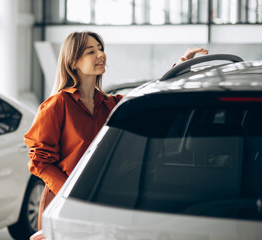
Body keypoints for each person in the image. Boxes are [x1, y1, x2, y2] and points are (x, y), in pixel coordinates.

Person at [24, 31, 208, 240]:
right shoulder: (57, 105)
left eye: (101, 48)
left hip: (102, 201)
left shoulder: (110, 104)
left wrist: (182, 65)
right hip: (63, 203)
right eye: (91, 51)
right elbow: (39, 161)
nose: (100, 54)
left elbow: (152, 96)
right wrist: (72, 193)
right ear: (73, 61)